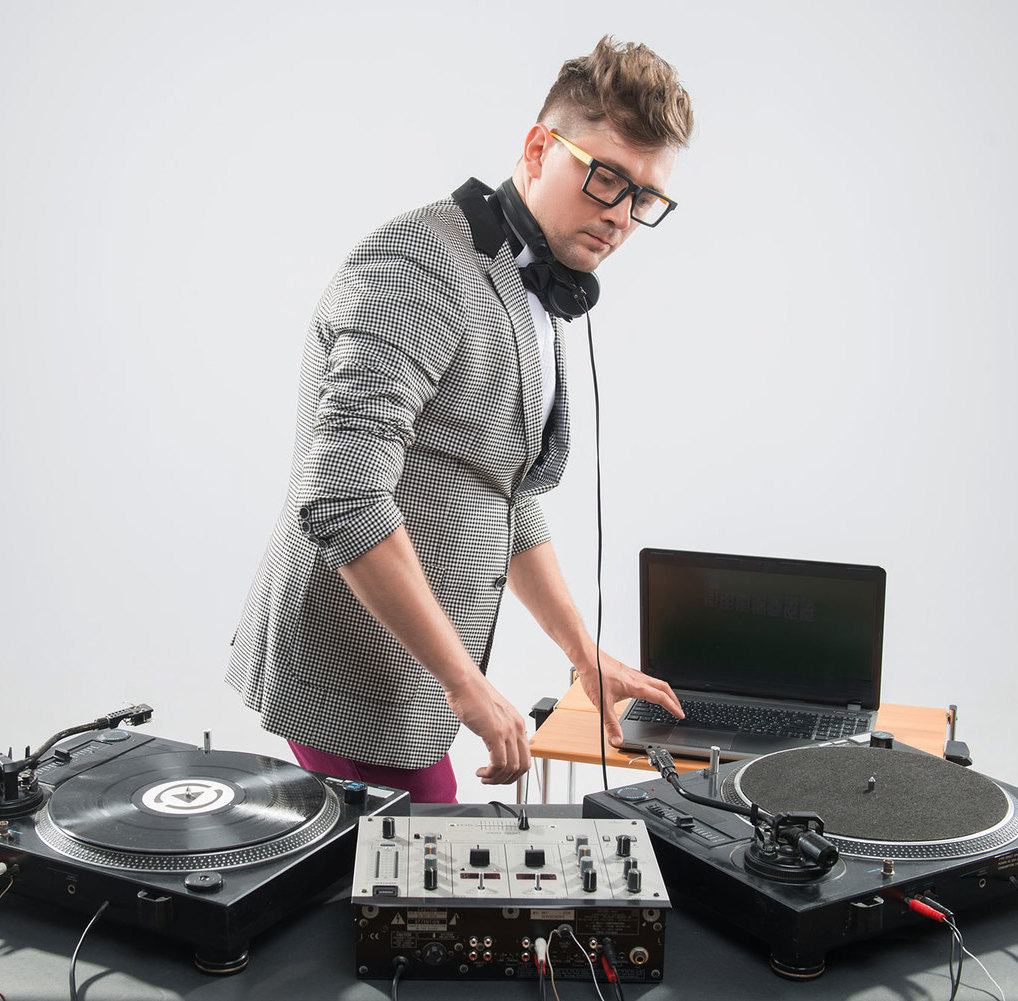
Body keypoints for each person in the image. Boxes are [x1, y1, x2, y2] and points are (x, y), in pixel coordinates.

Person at [226, 36, 693, 802]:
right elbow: (342, 494)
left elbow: (507, 492)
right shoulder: (422, 264)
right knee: (421, 869)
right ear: (538, 149)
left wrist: (585, 655)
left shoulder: (531, 285)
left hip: (412, 679)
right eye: (606, 178)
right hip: (349, 674)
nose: (620, 217)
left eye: (644, 198)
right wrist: (465, 683)